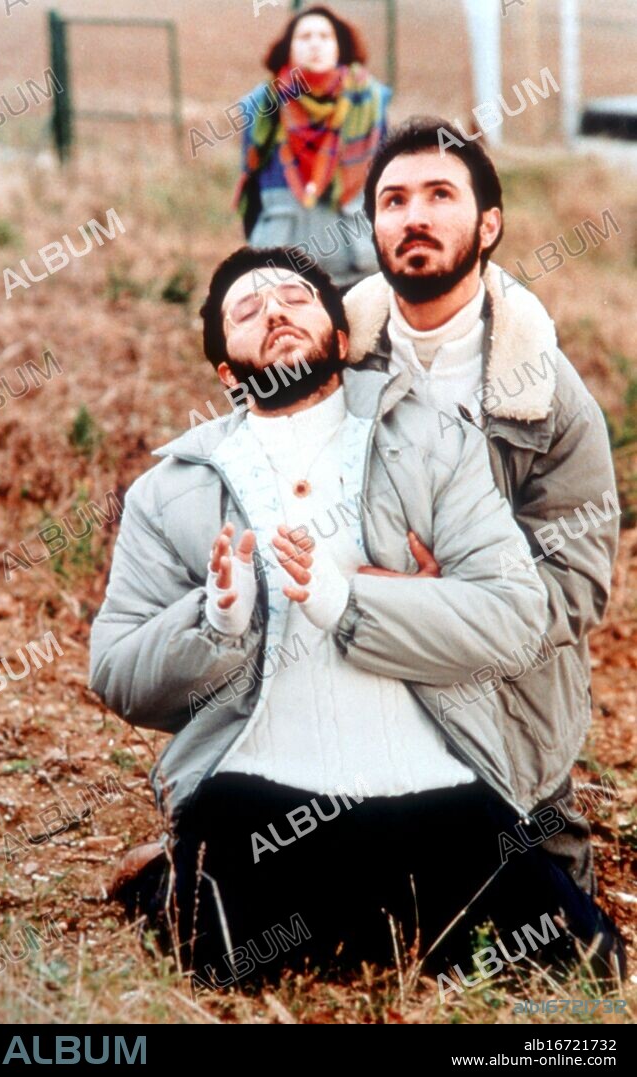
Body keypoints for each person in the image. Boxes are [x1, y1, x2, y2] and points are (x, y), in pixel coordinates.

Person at [89, 246, 625, 987]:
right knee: (223, 962)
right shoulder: (168, 491)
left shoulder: (437, 446)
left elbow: (516, 617)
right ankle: (162, 880)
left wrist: (353, 600)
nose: (273, 310)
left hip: (435, 787)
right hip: (257, 793)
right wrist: (215, 619)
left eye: (295, 298)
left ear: (341, 339)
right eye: (247, 310)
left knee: (584, 965)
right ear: (226, 372)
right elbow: (115, 672)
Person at [342, 115, 621, 899]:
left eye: (440, 194)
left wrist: (440, 602)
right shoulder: (326, 365)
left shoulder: (549, 400)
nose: (415, 216)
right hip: (354, 669)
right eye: (393, 200)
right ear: (373, 226)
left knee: (546, 923)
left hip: (501, 696)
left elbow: (575, 585)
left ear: (489, 223)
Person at [234, 5, 390, 287]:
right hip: (281, 274)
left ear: (339, 46)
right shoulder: (261, 106)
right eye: (304, 37)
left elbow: (386, 185)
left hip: (357, 270)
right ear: (289, 47)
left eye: (325, 36)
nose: (315, 43)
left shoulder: (371, 102)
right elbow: (251, 194)